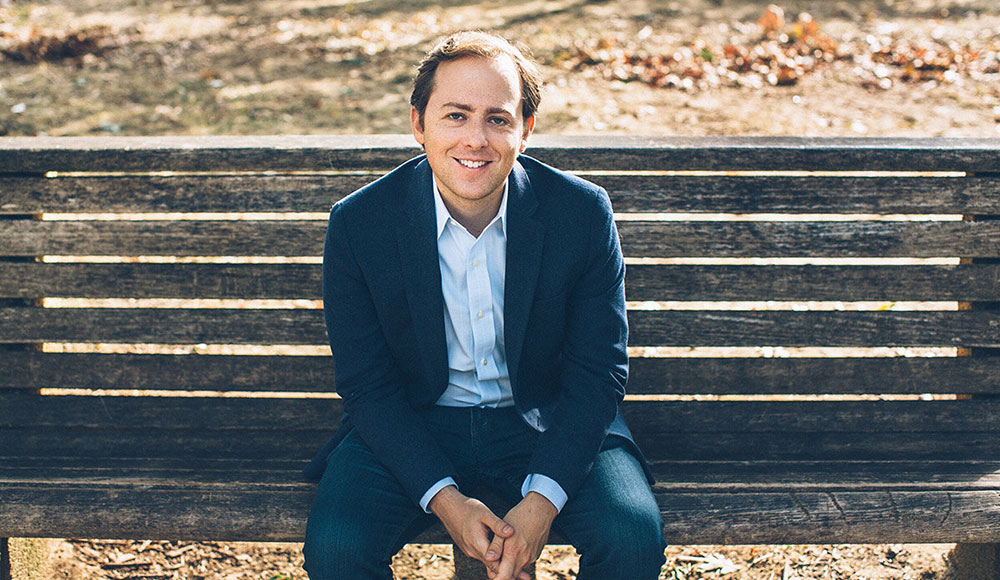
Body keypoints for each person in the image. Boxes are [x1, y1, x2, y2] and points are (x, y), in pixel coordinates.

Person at [302, 30, 666, 580]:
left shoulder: (581, 214)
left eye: (498, 118)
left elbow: (598, 372)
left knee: (631, 540)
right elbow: (367, 385)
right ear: (418, 123)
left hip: (547, 418)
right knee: (337, 550)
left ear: (526, 130)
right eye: (455, 115)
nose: (475, 139)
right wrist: (448, 502)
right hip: (414, 423)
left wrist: (542, 503)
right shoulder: (359, 224)